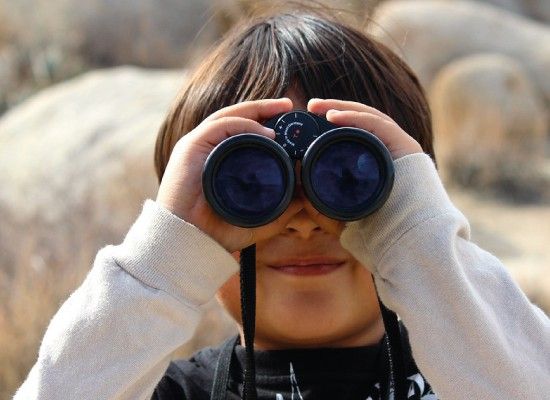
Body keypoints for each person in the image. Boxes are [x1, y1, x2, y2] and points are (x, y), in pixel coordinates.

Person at [14, 6, 549, 400]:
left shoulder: (480, 369)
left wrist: (421, 244)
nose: (301, 222)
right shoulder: (157, 391)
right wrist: (163, 263)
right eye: (250, 182)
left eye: (346, 175)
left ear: (411, 190)